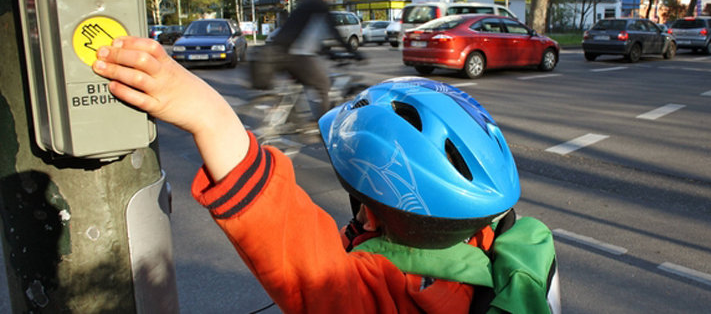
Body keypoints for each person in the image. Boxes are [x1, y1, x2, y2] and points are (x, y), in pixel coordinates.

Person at [93, 36, 558, 313]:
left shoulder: (379, 292)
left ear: (381, 213)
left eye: (363, 210)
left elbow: (297, 248)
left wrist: (210, 116)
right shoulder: (512, 250)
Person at [264, 0, 361, 129]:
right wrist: (352, 51)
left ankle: (295, 120)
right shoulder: (318, 4)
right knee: (323, 84)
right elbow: (334, 31)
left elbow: (310, 37)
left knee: (306, 84)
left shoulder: (307, 4)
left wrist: (331, 54)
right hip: (297, 55)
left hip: (286, 52)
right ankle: (325, 126)